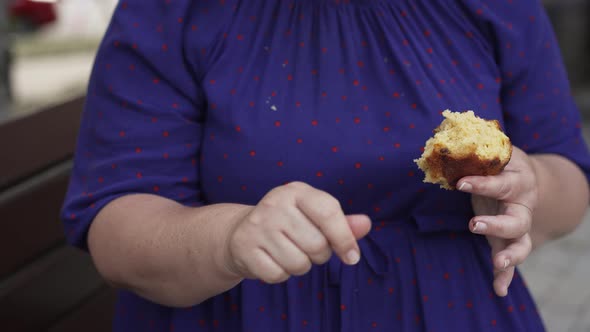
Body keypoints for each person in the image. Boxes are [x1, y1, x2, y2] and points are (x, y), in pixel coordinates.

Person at [60, 0, 590, 331]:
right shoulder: (175, 11)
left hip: (455, 310)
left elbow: (567, 178)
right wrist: (228, 238)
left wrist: (527, 188)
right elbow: (115, 228)